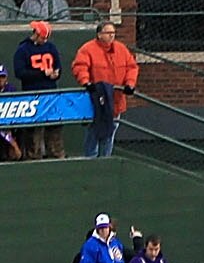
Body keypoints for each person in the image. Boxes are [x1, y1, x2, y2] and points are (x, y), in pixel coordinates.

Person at [70, 20, 133, 162]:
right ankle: (90, 161)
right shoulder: (87, 49)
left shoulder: (121, 49)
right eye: (108, 33)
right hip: (96, 99)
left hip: (116, 101)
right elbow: (80, 67)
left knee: (110, 132)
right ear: (99, 34)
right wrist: (86, 82)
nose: (111, 36)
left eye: (113, 33)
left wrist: (130, 83)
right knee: (93, 132)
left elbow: (131, 67)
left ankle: (106, 160)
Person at [10, 20, 64, 159]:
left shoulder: (51, 47)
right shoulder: (23, 50)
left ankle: (56, 155)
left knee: (54, 127)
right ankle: (33, 157)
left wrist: (56, 72)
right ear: (36, 34)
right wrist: (41, 73)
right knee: (34, 131)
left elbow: (58, 65)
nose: (44, 41)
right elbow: (20, 73)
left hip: (51, 93)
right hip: (33, 94)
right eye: (42, 37)